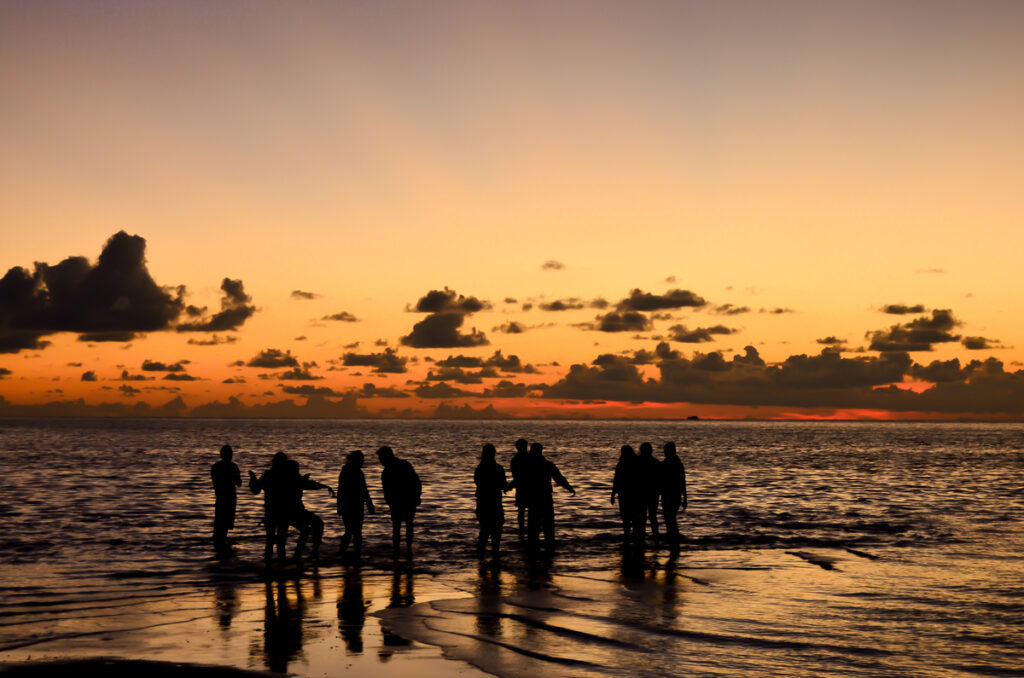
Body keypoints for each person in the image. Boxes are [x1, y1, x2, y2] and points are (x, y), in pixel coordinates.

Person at [250, 452, 334, 563]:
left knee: (273, 541)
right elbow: (304, 484)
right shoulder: (286, 474)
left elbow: (256, 490)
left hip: (274, 513)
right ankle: (294, 559)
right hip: (284, 513)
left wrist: (253, 480)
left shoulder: (273, 474)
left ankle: (273, 567)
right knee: (280, 540)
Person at [523, 442, 575, 548]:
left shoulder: (528, 466)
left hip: (534, 498)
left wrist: (509, 487)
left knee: (534, 526)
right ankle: (549, 548)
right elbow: (559, 478)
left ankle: (533, 549)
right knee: (548, 526)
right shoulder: (547, 465)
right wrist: (569, 488)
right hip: (545, 497)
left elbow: (520, 480)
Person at [376, 446, 421, 559]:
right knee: (405, 526)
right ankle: (405, 550)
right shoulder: (400, 466)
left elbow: (415, 481)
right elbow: (417, 481)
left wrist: (416, 496)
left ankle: (401, 550)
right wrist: (417, 496)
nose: (380, 461)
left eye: (381, 458)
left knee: (398, 527)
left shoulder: (391, 469)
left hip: (404, 501)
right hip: (402, 501)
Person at [474, 443, 509, 557]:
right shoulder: (498, 468)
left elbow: (478, 483)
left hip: (482, 504)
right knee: (496, 533)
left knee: (483, 532)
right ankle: (495, 557)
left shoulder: (479, 468)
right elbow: (504, 485)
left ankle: (480, 559)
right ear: (494, 454)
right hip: (495, 504)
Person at [337, 450, 375, 556]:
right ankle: (347, 552)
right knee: (352, 531)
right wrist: (370, 505)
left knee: (355, 531)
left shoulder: (354, 471)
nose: (363, 461)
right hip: (349, 506)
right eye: (361, 459)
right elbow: (342, 490)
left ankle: (352, 553)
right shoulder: (348, 471)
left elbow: (364, 490)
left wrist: (369, 504)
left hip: (356, 505)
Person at [211, 444, 242, 551]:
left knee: (219, 523)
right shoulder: (233, 466)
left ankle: (218, 545)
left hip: (220, 497)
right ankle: (222, 545)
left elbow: (215, 484)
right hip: (230, 497)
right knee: (226, 523)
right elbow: (239, 483)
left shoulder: (215, 467)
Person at [660, 441, 688, 550]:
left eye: (666, 450)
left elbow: (682, 482)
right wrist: (685, 498)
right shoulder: (677, 463)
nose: (664, 452)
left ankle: (673, 540)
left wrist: (685, 498)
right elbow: (683, 482)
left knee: (670, 519)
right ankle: (674, 540)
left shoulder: (668, 464)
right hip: (674, 496)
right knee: (671, 519)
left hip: (669, 496)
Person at [610, 445, 639, 544]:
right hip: (635, 494)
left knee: (626, 518)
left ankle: (627, 537)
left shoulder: (621, 464)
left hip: (624, 494)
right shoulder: (636, 463)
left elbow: (616, 481)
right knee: (635, 518)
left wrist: (613, 495)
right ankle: (635, 538)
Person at [637, 442, 662, 544]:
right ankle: (655, 536)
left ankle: (641, 537)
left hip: (641, 493)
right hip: (653, 493)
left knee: (641, 516)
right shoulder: (655, 462)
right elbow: (660, 479)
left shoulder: (637, 462)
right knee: (652, 516)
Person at [509, 438, 530, 534]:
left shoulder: (515, 460)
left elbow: (516, 477)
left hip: (523, 488)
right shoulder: (532, 458)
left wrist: (510, 486)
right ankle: (526, 530)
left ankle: (522, 530)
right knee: (527, 511)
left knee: (521, 511)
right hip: (528, 488)